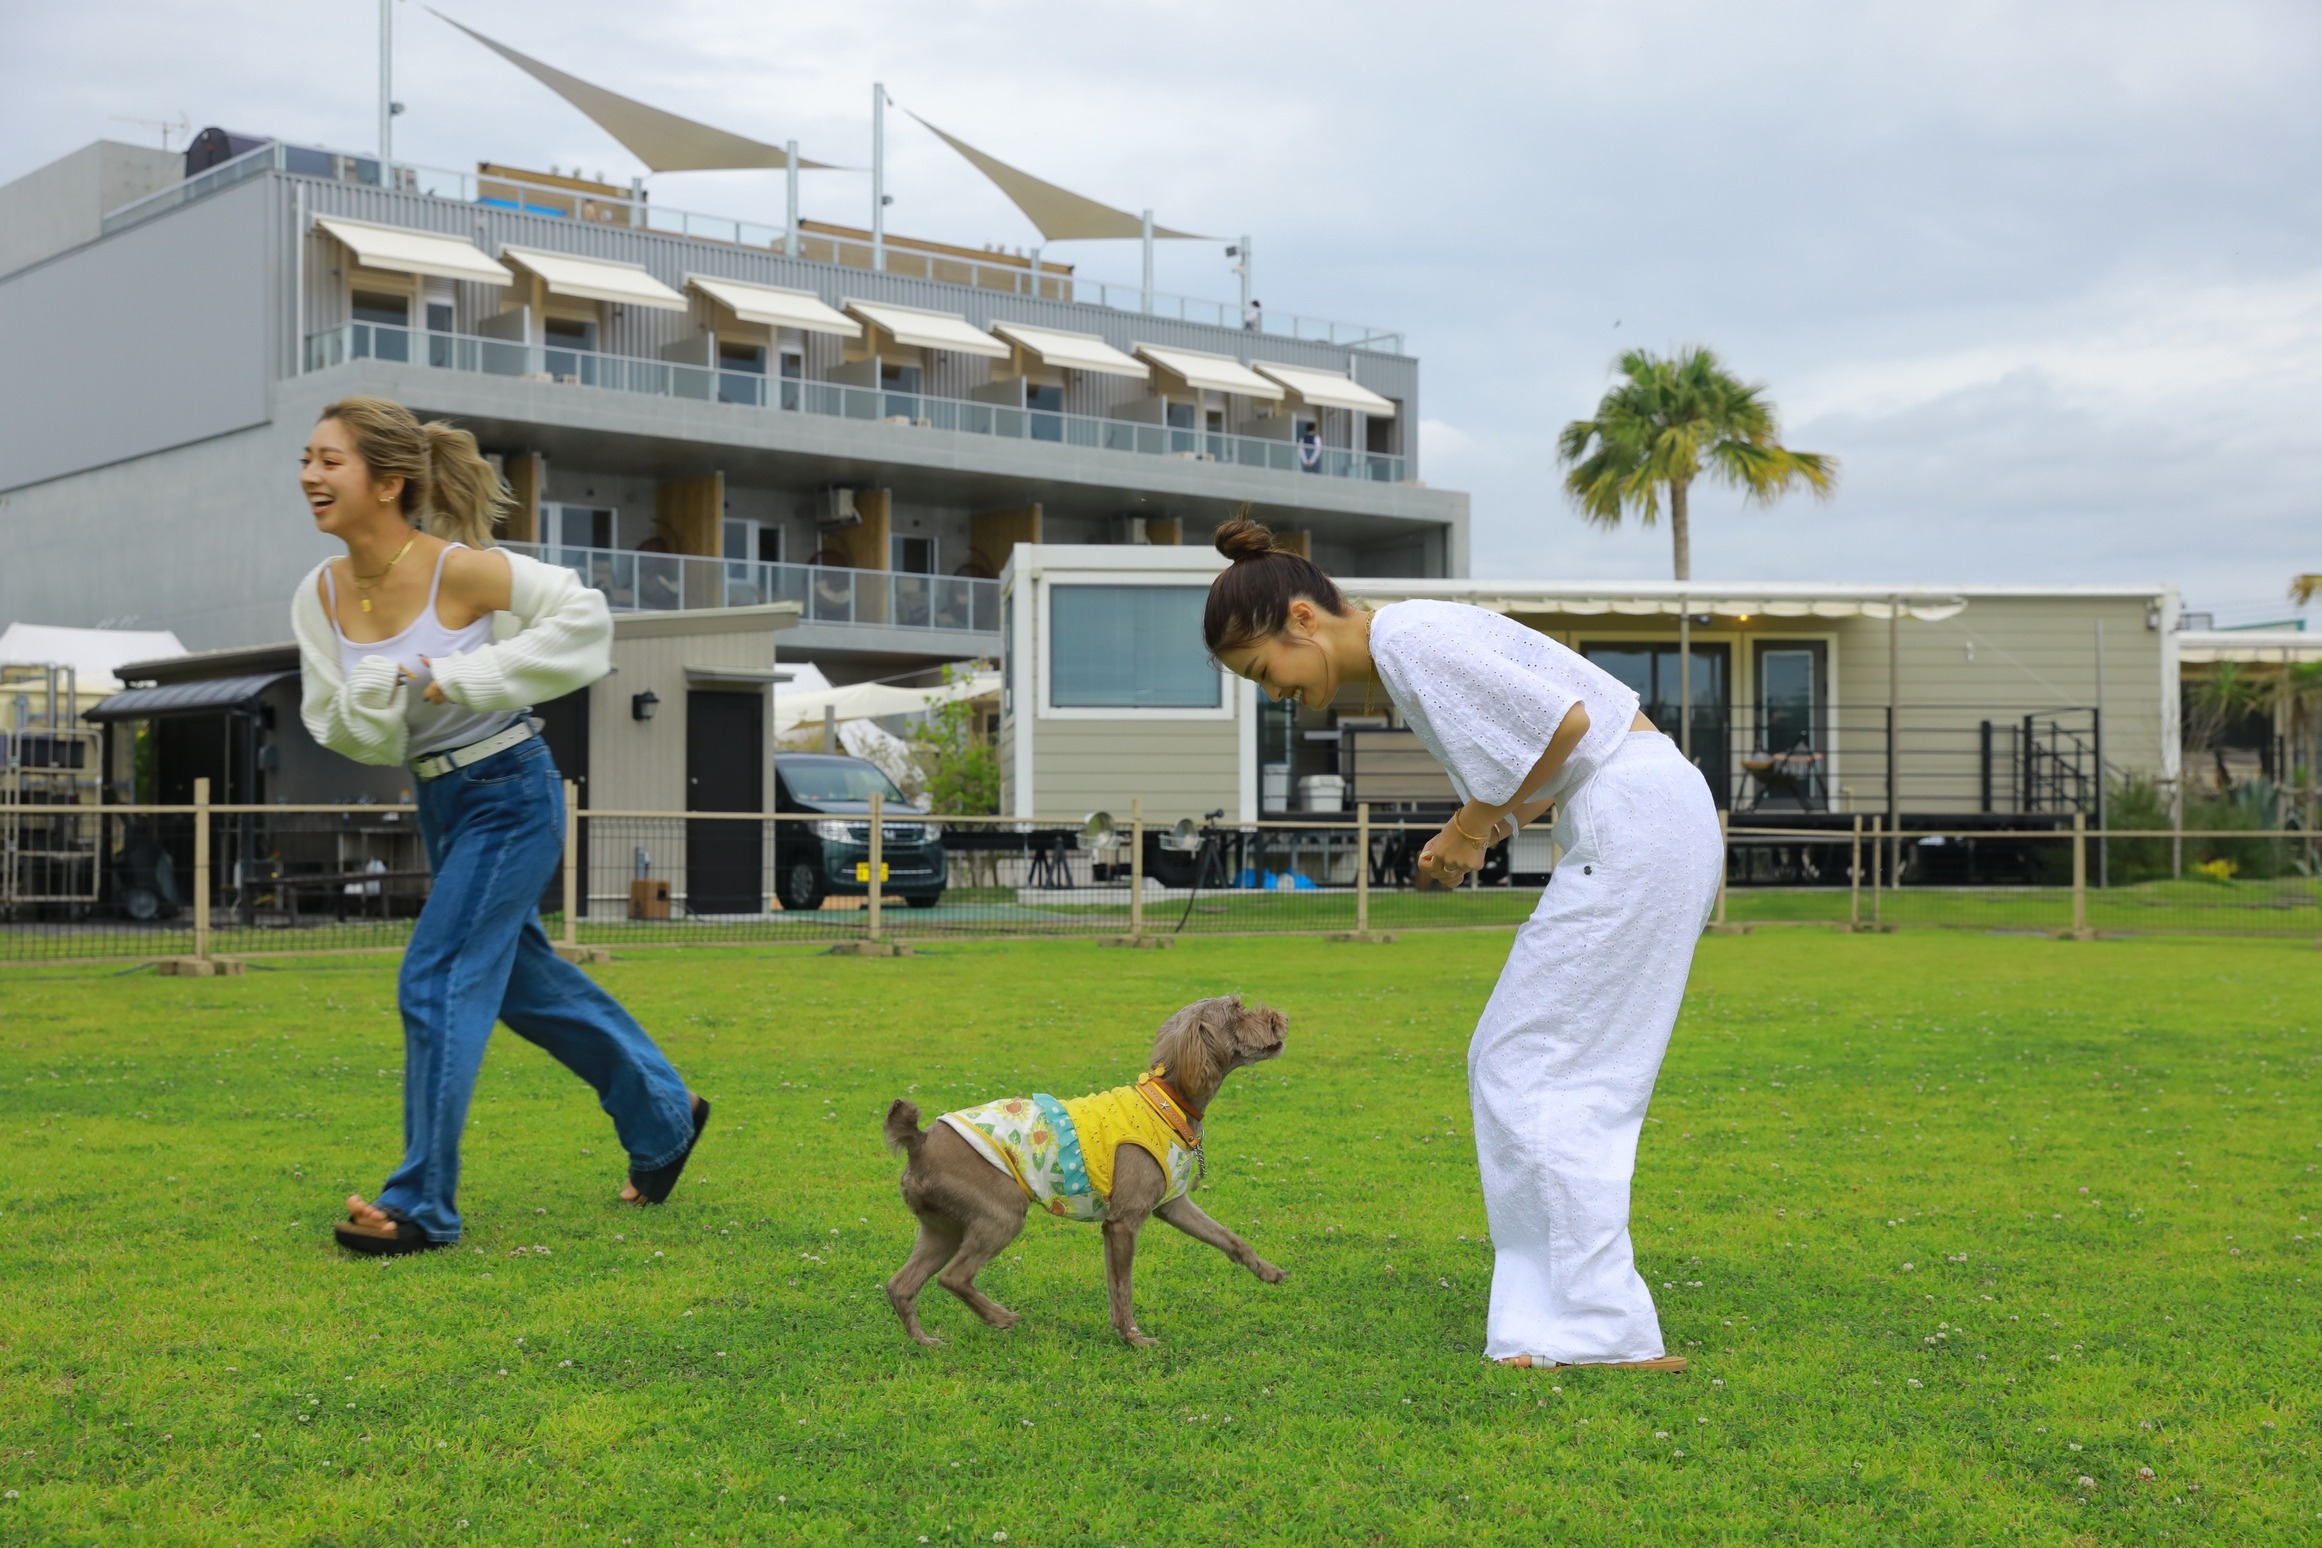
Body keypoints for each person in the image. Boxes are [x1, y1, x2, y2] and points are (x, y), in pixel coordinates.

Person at [1202, 516, 1720, 1370]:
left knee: (1529, 1063)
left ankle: (1593, 1328)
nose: (1273, 692)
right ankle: (1550, 1325)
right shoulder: (1413, 636)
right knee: (1532, 1063)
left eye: (1265, 672)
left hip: (1639, 820)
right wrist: (1478, 826)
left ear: (1301, 618)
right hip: (1642, 815)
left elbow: (1563, 722)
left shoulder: (1408, 636)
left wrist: (1472, 831)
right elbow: (1557, 748)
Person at [292, 395, 709, 1256]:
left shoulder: (458, 569)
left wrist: (466, 671)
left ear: (388, 481)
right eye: (307, 459)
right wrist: (376, 693)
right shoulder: (320, 594)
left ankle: (421, 1207)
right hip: (439, 800)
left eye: (330, 462)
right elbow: (341, 725)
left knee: (437, 976)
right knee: (521, 982)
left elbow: (583, 616)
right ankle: (665, 1114)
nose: (309, 476)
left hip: (509, 790)